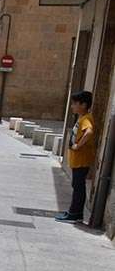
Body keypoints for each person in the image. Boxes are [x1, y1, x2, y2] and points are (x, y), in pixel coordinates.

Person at [55, 91, 96, 223]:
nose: (72, 106)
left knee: (78, 186)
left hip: (81, 160)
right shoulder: (82, 117)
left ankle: (75, 214)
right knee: (77, 185)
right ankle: (75, 212)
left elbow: (89, 132)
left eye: (75, 104)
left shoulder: (86, 119)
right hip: (77, 160)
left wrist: (78, 146)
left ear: (83, 105)